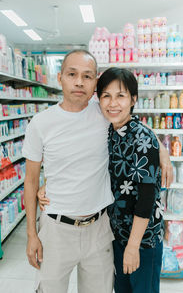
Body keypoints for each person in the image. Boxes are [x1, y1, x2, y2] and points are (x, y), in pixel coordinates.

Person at [23, 49, 172, 293]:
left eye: (87, 76)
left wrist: (160, 151)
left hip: (100, 227)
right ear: (60, 77)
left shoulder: (102, 111)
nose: (79, 81)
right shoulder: (40, 124)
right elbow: (30, 181)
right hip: (56, 228)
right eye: (72, 74)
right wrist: (31, 234)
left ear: (94, 83)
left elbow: (134, 126)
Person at [96, 67, 164, 293]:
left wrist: (133, 246)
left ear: (133, 99)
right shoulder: (110, 131)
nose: (112, 103)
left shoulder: (143, 138)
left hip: (142, 241)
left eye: (120, 95)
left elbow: (146, 199)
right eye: (106, 95)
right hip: (118, 235)